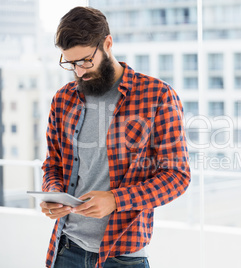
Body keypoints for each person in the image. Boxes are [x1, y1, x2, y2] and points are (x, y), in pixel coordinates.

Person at [40, 6, 191, 268]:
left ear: (107, 44)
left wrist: (115, 200)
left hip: (123, 257)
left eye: (86, 60)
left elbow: (177, 177)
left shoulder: (157, 96)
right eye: (70, 63)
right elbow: (52, 164)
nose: (79, 72)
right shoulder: (63, 99)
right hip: (66, 249)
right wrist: (53, 193)